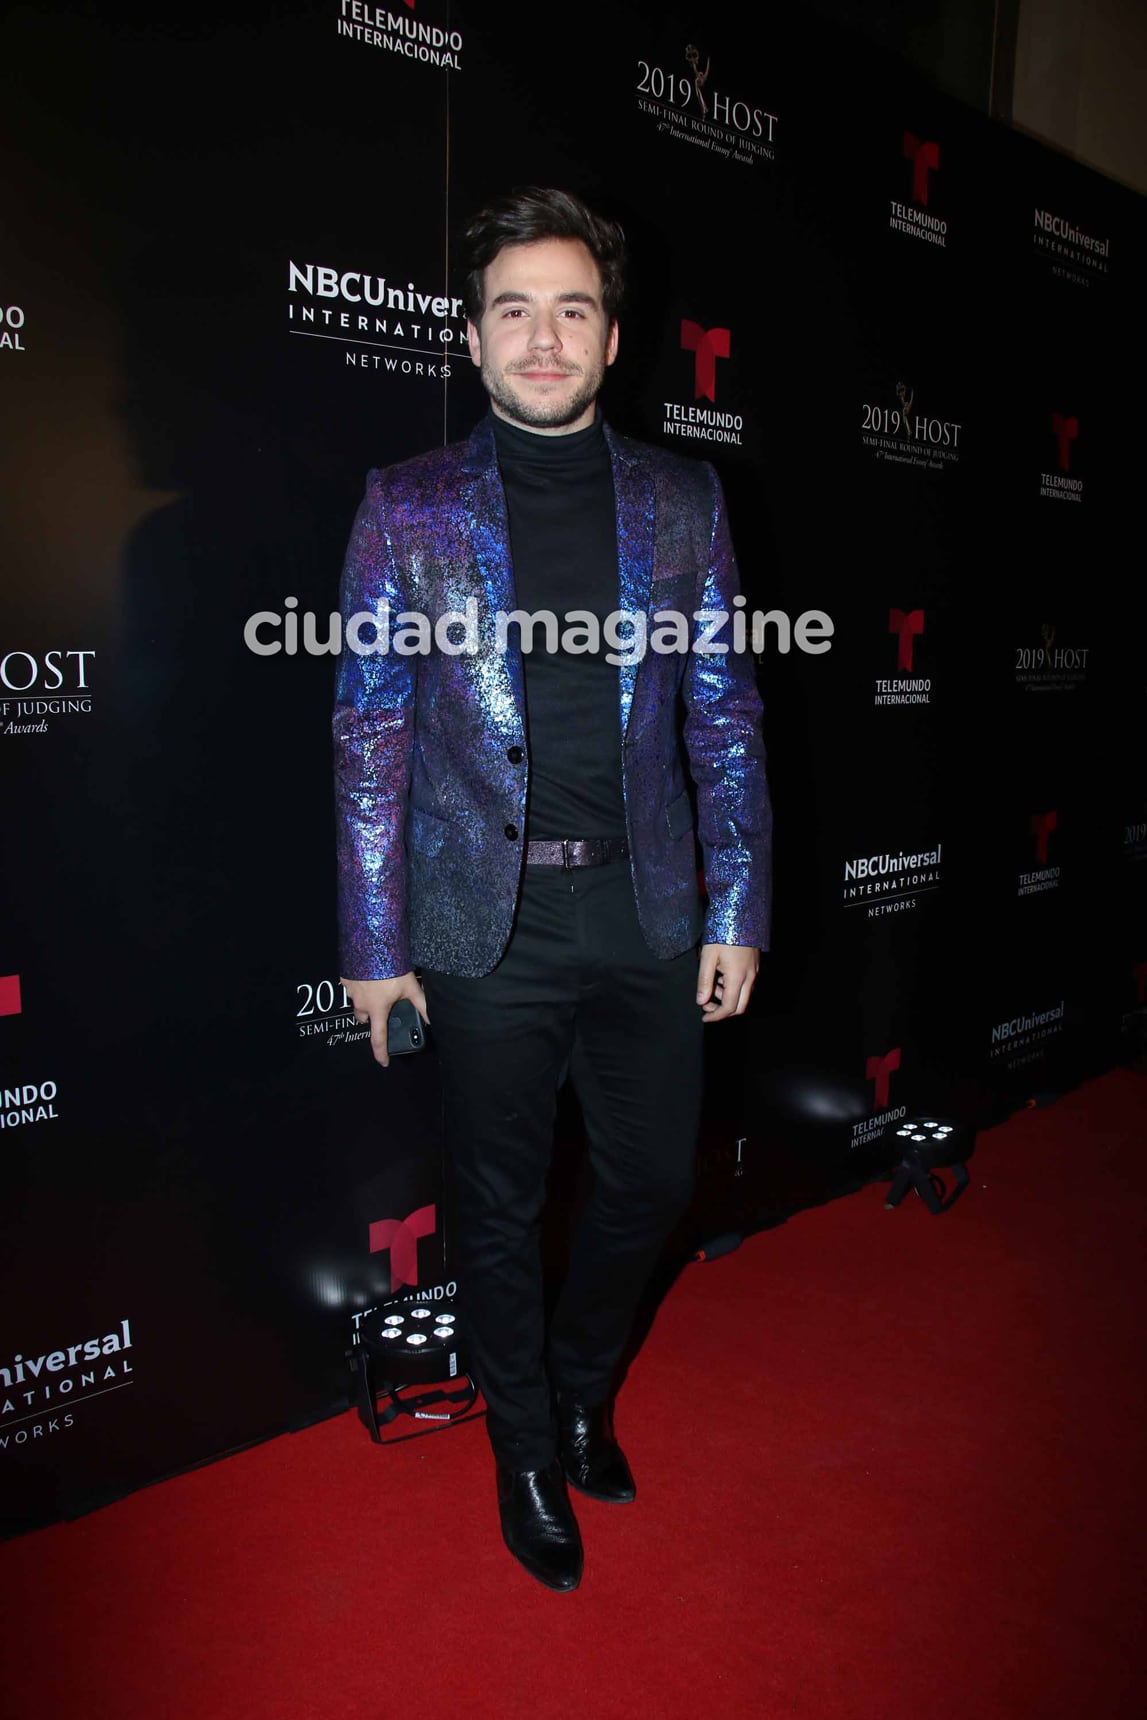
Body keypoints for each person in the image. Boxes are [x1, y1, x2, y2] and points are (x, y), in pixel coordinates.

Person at [333, 187, 772, 1592]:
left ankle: (582, 1386)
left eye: (570, 308)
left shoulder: (684, 500)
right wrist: (373, 938)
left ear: (612, 337)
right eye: (513, 308)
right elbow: (369, 730)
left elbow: (725, 715)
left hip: (645, 912)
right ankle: (526, 1446)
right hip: (483, 927)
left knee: (647, 1179)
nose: (542, 334)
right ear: (473, 340)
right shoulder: (405, 506)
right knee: (502, 1204)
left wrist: (736, 905)